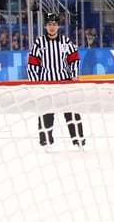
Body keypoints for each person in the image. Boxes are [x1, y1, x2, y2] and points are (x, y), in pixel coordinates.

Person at [27, 11, 85, 148]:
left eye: (54, 24)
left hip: (65, 82)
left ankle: (78, 140)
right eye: (49, 24)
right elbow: (32, 64)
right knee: (46, 112)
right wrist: (35, 83)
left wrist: (74, 75)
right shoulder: (39, 43)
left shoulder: (66, 42)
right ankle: (46, 140)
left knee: (71, 112)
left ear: (58, 26)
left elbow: (74, 59)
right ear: (45, 26)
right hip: (46, 84)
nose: (52, 27)